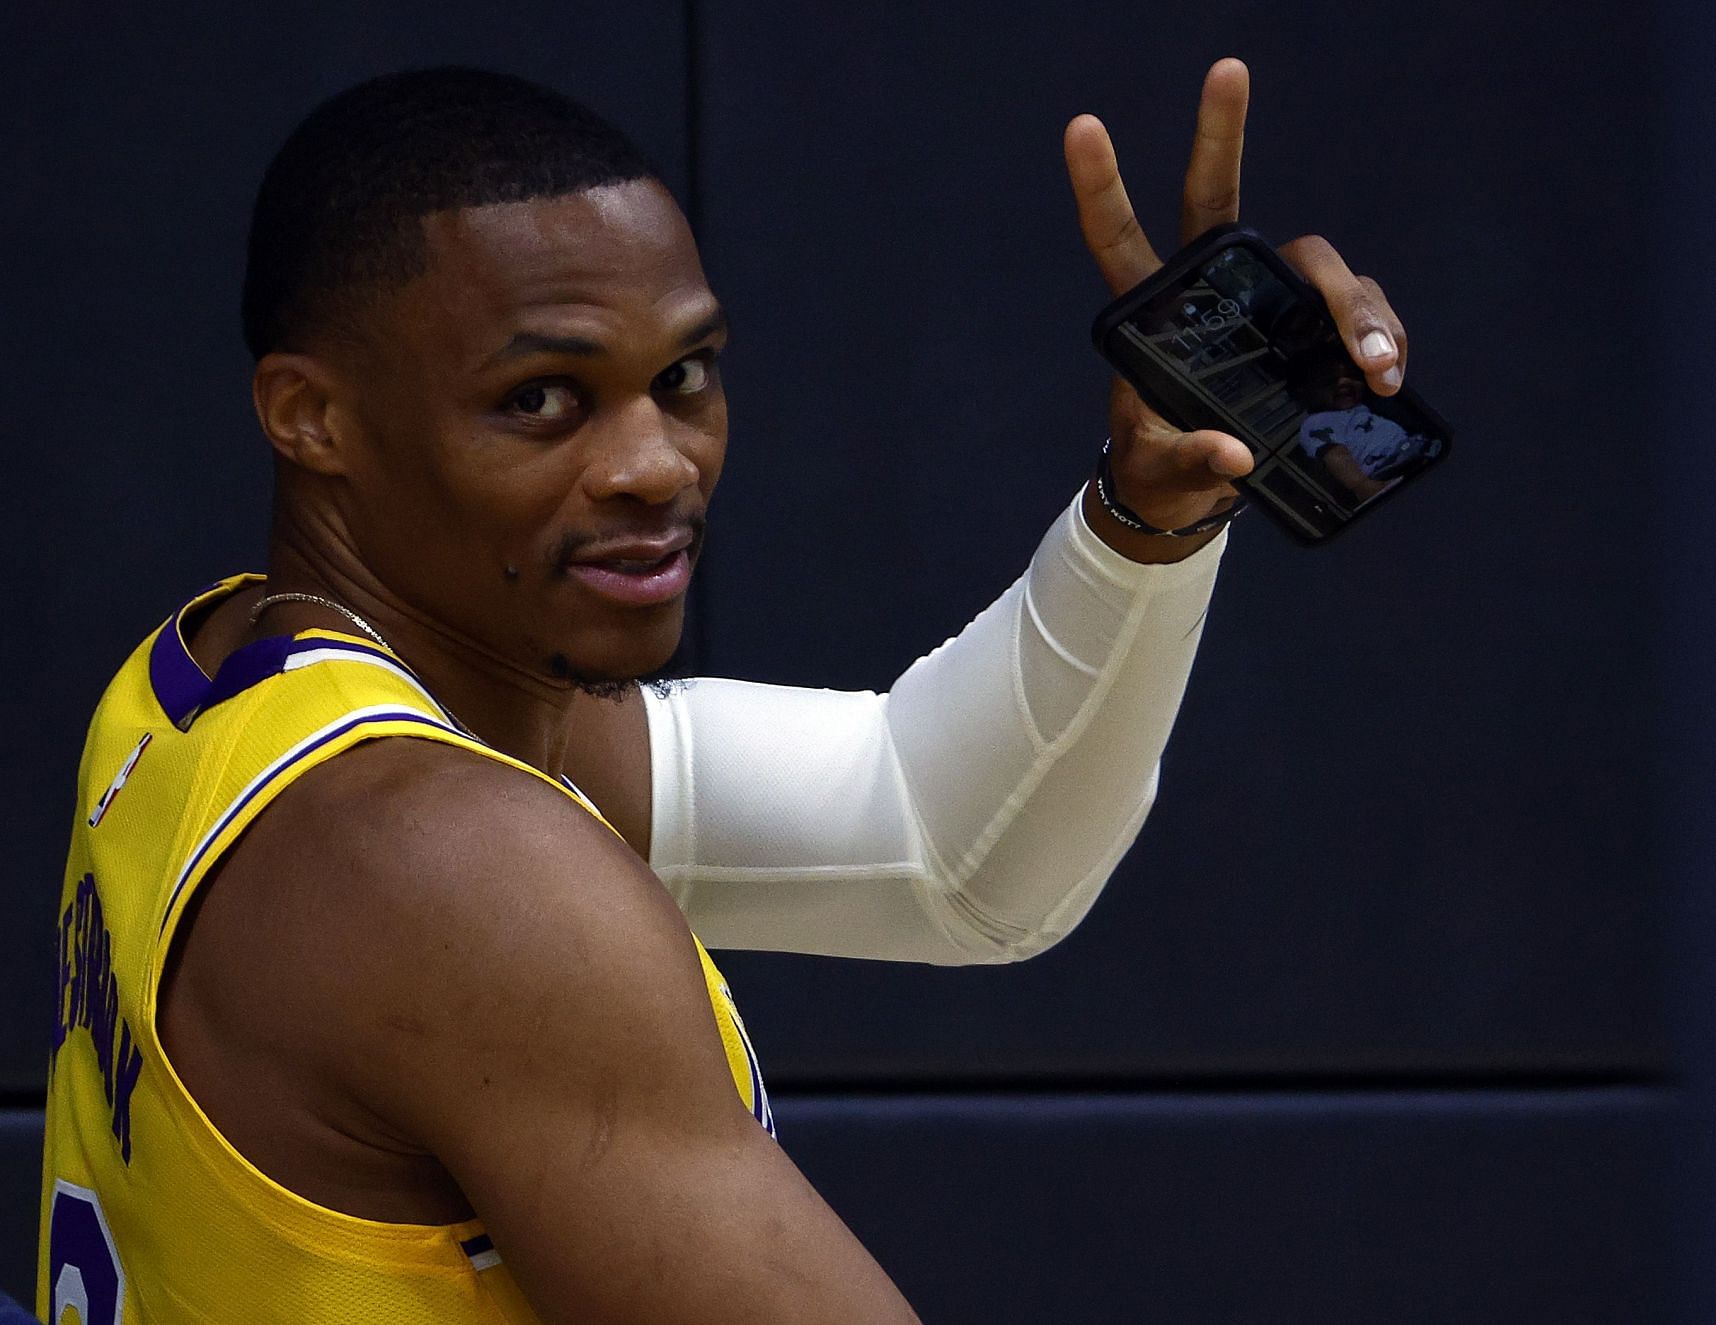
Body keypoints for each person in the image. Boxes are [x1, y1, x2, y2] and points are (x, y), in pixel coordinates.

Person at [38, 57, 1412, 1323]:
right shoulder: (455, 868)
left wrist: (1147, 517)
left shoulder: (209, 685)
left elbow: (942, 842)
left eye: (682, 376)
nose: (657, 462)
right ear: (310, 416)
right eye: (544, 399)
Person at [1291, 342, 1437, 504]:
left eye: (1354, 375)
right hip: (1385, 469)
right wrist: (1363, 486)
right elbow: (1337, 456)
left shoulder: (1366, 405)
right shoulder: (1316, 423)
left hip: (1411, 449)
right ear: (1306, 393)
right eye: (1329, 381)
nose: (1344, 382)